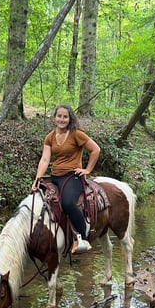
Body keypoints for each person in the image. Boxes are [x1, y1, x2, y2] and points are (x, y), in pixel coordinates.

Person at [31, 104, 101, 254]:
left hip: (72, 176)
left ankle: (82, 238)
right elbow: (44, 159)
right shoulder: (50, 137)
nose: (61, 119)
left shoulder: (77, 134)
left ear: (70, 119)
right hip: (55, 176)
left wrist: (87, 169)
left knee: (68, 203)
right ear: (54, 117)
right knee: (40, 202)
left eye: (65, 117)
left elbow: (95, 149)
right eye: (59, 116)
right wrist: (37, 178)